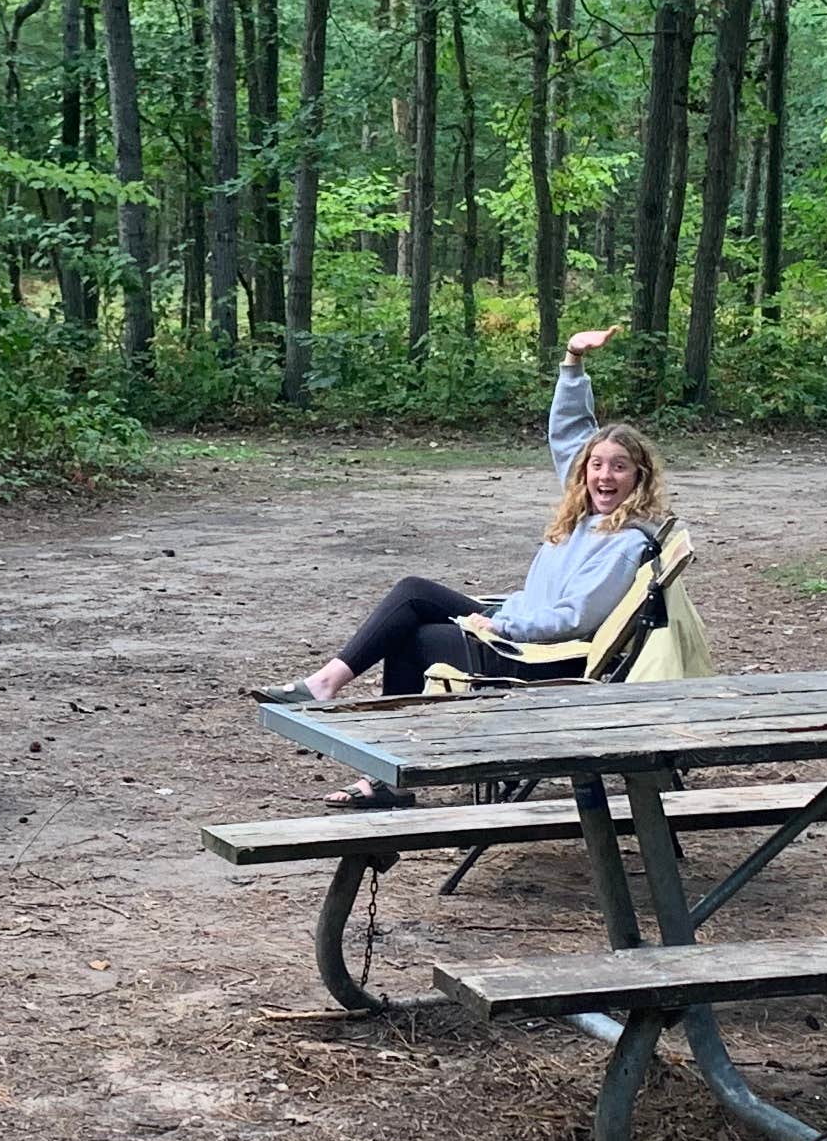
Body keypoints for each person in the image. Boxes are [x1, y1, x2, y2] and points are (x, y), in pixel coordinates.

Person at [260, 331, 670, 798]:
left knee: (414, 640)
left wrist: (501, 626)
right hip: (519, 629)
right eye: (596, 465)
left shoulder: (624, 543)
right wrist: (572, 360)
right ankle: (327, 685)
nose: (604, 475)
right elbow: (570, 434)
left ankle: (384, 775)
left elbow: (574, 619)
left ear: (639, 477)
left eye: (619, 467)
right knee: (413, 592)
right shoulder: (587, 513)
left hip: (542, 656)